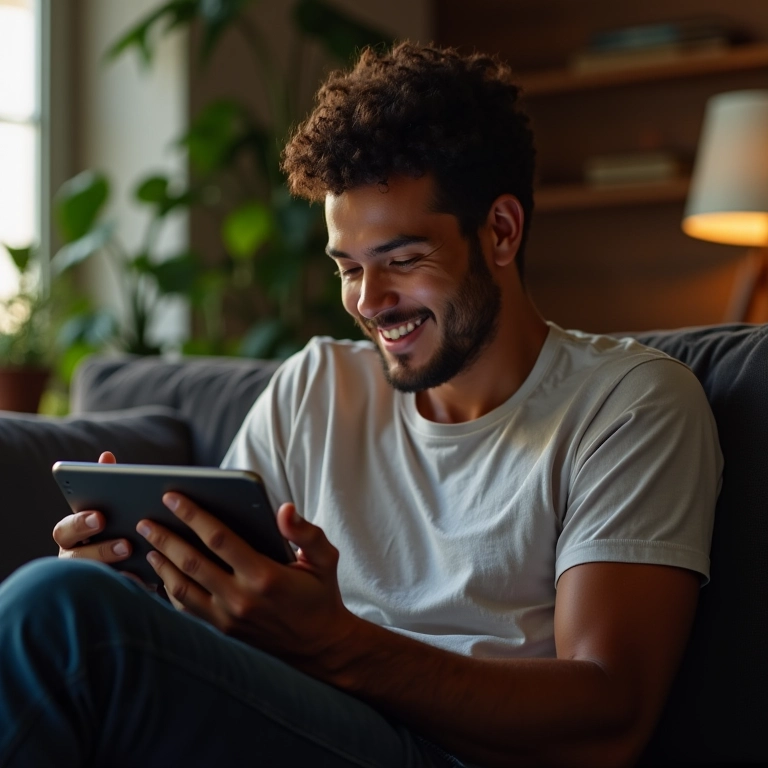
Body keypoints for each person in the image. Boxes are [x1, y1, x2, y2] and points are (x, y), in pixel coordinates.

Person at [0, 42, 722, 768]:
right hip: (303, 719)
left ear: (501, 231)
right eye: (349, 268)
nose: (370, 304)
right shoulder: (315, 385)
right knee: (72, 595)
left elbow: (609, 718)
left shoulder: (630, 405)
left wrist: (337, 643)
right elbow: (230, 624)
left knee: (62, 617)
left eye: (402, 261)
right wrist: (144, 576)